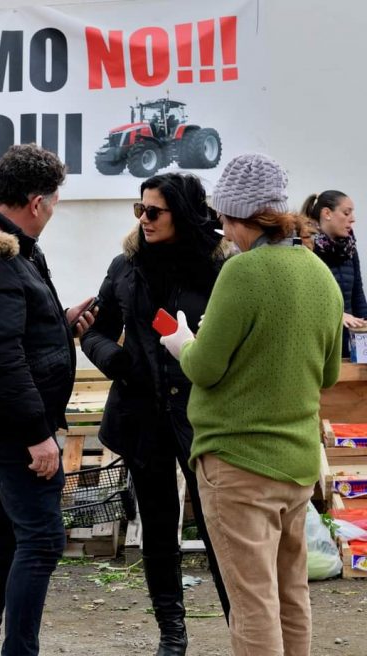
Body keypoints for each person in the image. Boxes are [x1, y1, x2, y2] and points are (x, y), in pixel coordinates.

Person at [161, 154, 343, 656]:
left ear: (244, 215)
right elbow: (327, 374)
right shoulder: (320, 275)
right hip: (297, 464)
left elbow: (205, 368)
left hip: (238, 464)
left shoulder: (242, 273)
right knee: (291, 595)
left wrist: (181, 342)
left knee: (253, 604)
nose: (221, 226)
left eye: (225, 216)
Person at [0, 143, 97, 656]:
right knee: (44, 539)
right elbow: (0, 354)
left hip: (3, 414)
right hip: (12, 423)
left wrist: (61, 322)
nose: (52, 211)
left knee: (8, 533)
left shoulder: (9, 245)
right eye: (53, 202)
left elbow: (13, 330)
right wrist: (37, 435)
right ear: (35, 202)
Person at [80, 172, 231, 656]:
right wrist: (115, 359)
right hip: (142, 413)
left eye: (154, 211)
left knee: (219, 530)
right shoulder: (125, 266)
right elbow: (95, 331)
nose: (143, 219)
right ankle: (172, 632)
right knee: (159, 527)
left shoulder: (221, 268)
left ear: (181, 215)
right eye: (139, 210)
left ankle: (241, 627)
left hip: (202, 416)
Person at [302, 189, 367, 356]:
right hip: (318, 343)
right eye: (346, 213)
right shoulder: (305, 249)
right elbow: (303, 300)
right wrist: (338, 315)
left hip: (348, 343)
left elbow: (357, 295)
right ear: (327, 213)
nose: (352, 219)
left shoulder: (350, 249)